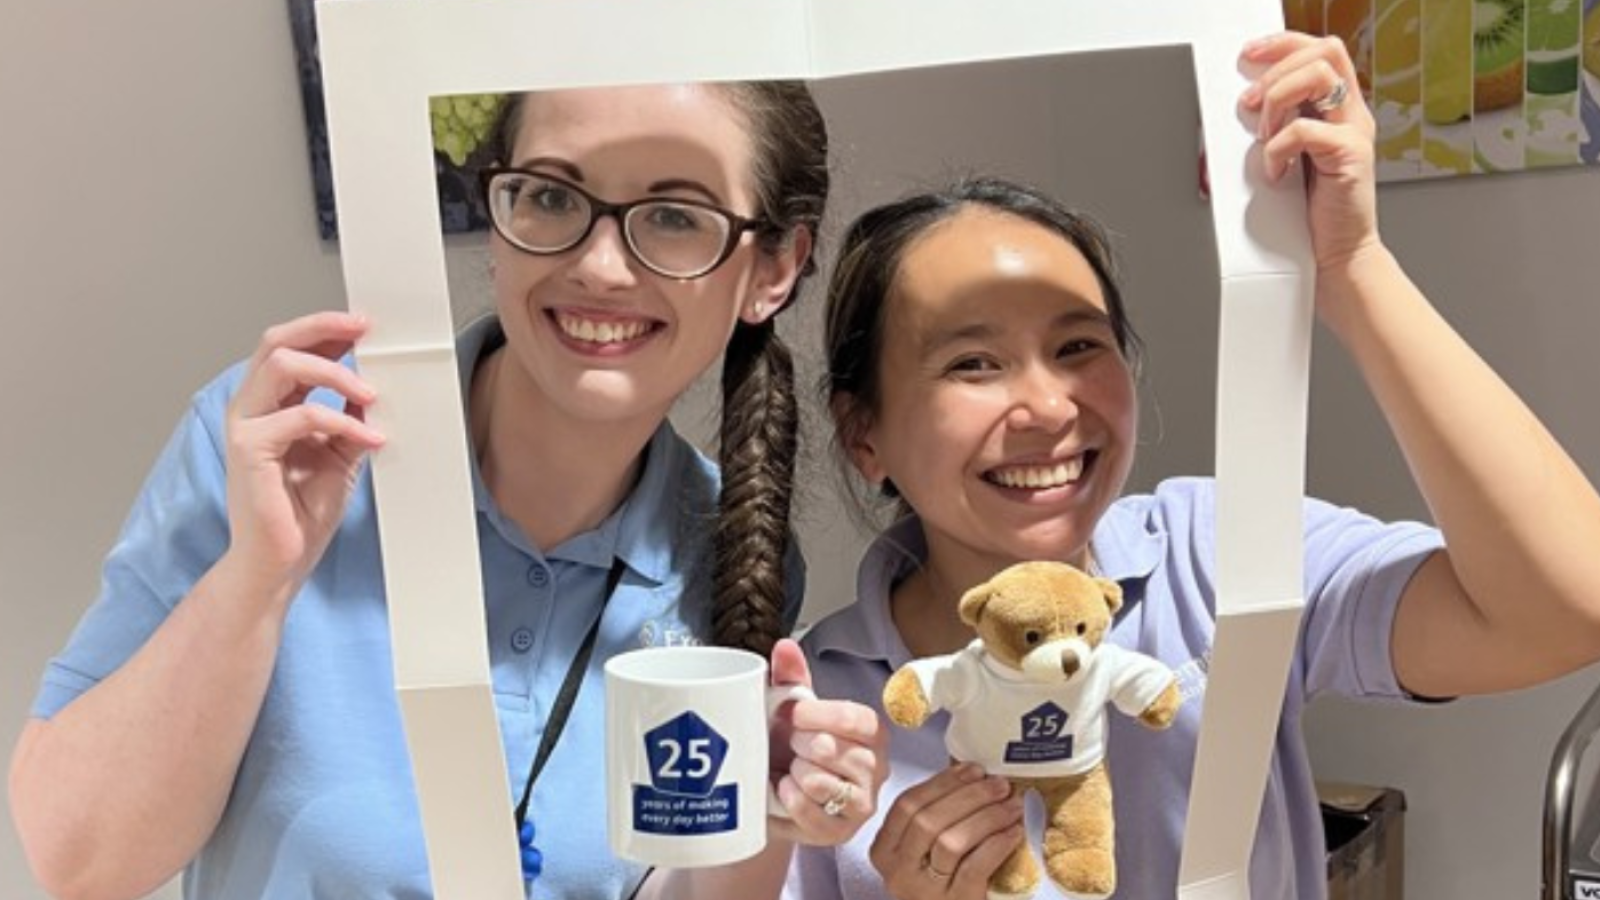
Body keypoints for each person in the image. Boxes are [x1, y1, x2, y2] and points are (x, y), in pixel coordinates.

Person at [9, 80, 886, 900]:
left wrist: (769, 823)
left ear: (772, 269)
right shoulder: (288, 441)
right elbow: (81, 863)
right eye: (550, 196)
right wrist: (257, 580)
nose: (602, 267)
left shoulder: (732, 548)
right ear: (495, 210)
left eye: (673, 216)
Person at [789, 31, 1600, 900]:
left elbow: (1563, 611)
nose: (1052, 407)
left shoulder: (1211, 551)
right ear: (862, 432)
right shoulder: (823, 709)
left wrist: (1353, 269)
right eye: (973, 364)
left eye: (1077, 345)